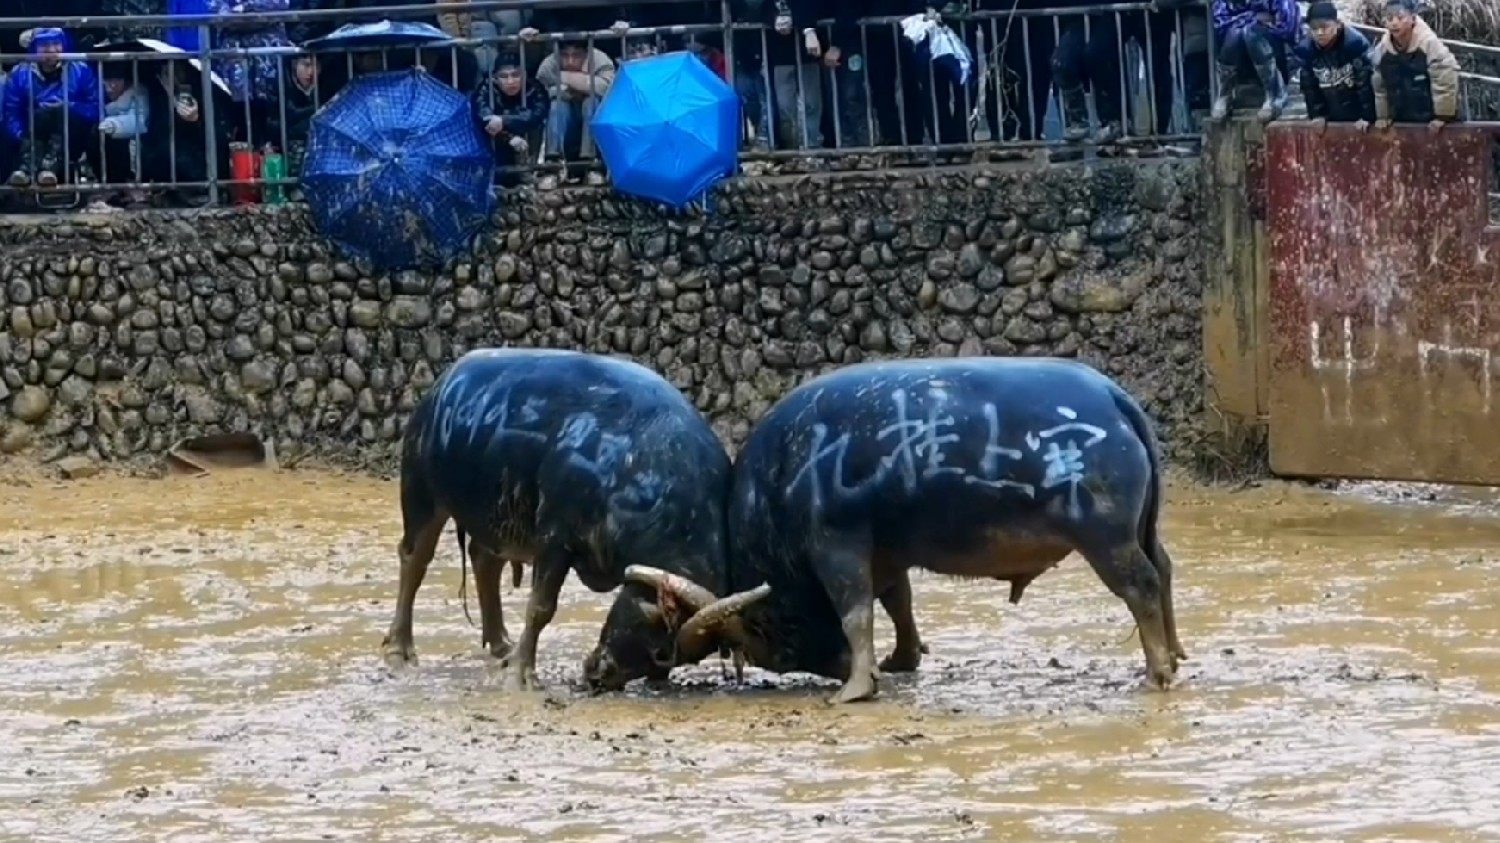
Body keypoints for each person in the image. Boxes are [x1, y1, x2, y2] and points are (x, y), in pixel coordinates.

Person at [3, 28, 102, 187]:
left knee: (57, 113)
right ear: (34, 48)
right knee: (39, 119)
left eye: (56, 44)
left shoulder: (81, 70)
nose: (51, 50)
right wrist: (21, 136)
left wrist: (68, 107)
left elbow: (95, 107)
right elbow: (11, 113)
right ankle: (28, 167)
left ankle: (46, 166)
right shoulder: (20, 73)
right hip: (32, 135)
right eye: (44, 45)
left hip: (73, 134)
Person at [1371, 0, 1460, 131]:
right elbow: (1380, 87)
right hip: (1401, 117)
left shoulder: (1429, 44)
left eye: (1400, 17)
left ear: (1412, 18)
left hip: (1433, 119)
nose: (1394, 23)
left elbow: (1444, 79)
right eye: (1389, 18)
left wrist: (1443, 117)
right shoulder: (1382, 50)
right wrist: (1383, 117)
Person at [1209, 0, 1301, 123]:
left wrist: (1249, 23)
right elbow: (1220, 26)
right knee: (1234, 34)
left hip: (1277, 54)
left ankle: (1275, 95)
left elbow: (1287, 27)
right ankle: (1226, 93)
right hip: (1242, 57)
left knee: (1251, 33)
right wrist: (1255, 18)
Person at [535, 38, 615, 177]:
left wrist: (565, 77)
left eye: (576, 56)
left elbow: (606, 90)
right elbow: (541, 93)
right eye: (565, 56)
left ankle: (591, 163)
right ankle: (552, 164)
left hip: (593, 121)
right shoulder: (549, 63)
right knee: (557, 104)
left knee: (591, 102)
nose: (570, 61)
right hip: (564, 122)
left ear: (586, 54)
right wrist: (582, 86)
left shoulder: (600, 60)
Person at [1295, 2, 1376, 132]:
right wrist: (1317, 114)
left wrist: (1367, 116)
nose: (1320, 33)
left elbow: (1365, 84)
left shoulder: (1355, 44)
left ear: (1337, 24)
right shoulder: (1306, 50)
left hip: (1357, 112)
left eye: (1325, 27)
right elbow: (1309, 87)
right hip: (1331, 108)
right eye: (1314, 28)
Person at [475, 51, 549, 186]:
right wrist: (508, 137)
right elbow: (484, 119)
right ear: (495, 78)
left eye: (515, 75)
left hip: (528, 142)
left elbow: (537, 115)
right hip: (499, 144)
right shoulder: (485, 89)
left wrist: (503, 120)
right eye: (504, 76)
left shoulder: (534, 87)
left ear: (524, 75)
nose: (510, 81)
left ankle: (530, 172)